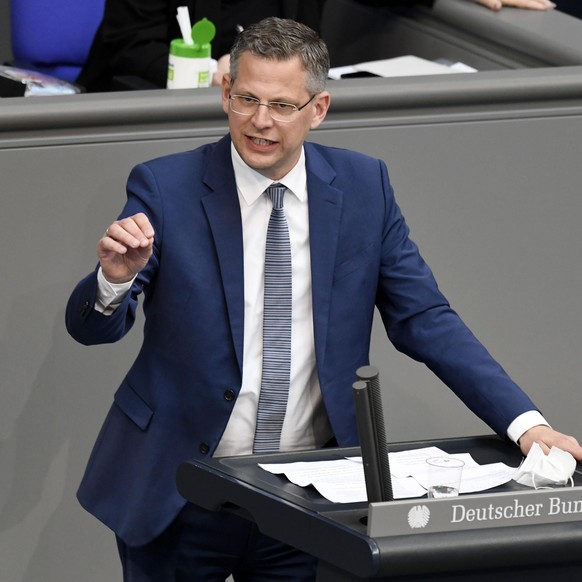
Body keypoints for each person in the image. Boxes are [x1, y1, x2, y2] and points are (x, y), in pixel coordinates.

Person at [66, 16, 582, 581]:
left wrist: (524, 424)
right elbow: (93, 327)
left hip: (303, 496)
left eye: (282, 106)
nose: (259, 122)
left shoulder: (365, 189)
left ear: (319, 108)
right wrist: (112, 281)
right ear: (224, 93)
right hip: (180, 489)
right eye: (246, 99)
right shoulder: (165, 187)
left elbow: (425, 318)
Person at [77, 0, 327, 92]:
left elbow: (307, 38)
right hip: (157, 100)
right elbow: (131, 43)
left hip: (271, 99)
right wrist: (208, 72)